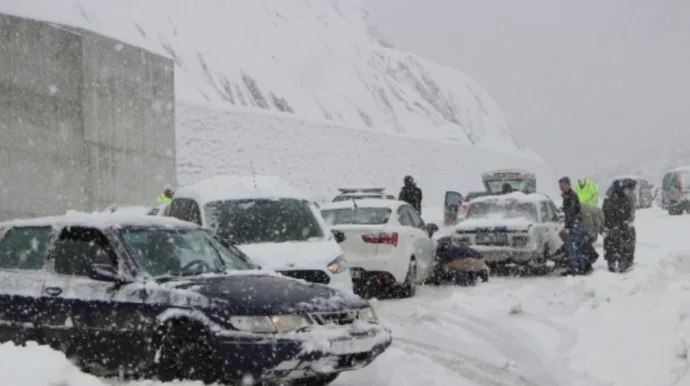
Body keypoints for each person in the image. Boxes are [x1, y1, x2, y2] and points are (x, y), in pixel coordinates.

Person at [602, 179, 636, 273]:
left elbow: (604, 212)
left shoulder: (609, 197)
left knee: (612, 244)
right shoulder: (622, 199)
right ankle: (623, 262)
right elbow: (627, 213)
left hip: (612, 227)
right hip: (619, 226)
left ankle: (613, 262)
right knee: (623, 244)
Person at [559, 176, 586, 275]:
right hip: (575, 223)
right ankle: (579, 267)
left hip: (575, 224)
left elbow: (571, 213)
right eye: (560, 186)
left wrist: (568, 226)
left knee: (572, 246)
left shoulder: (570, 196)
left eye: (562, 185)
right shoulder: (568, 196)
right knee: (575, 246)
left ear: (567, 184)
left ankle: (574, 268)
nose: (560, 188)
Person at [579, 202, 604, 273]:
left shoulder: (588, 209)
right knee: (587, 247)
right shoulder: (596, 210)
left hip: (584, 231)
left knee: (585, 248)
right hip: (588, 231)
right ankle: (589, 261)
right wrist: (598, 232)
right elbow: (599, 223)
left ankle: (587, 263)